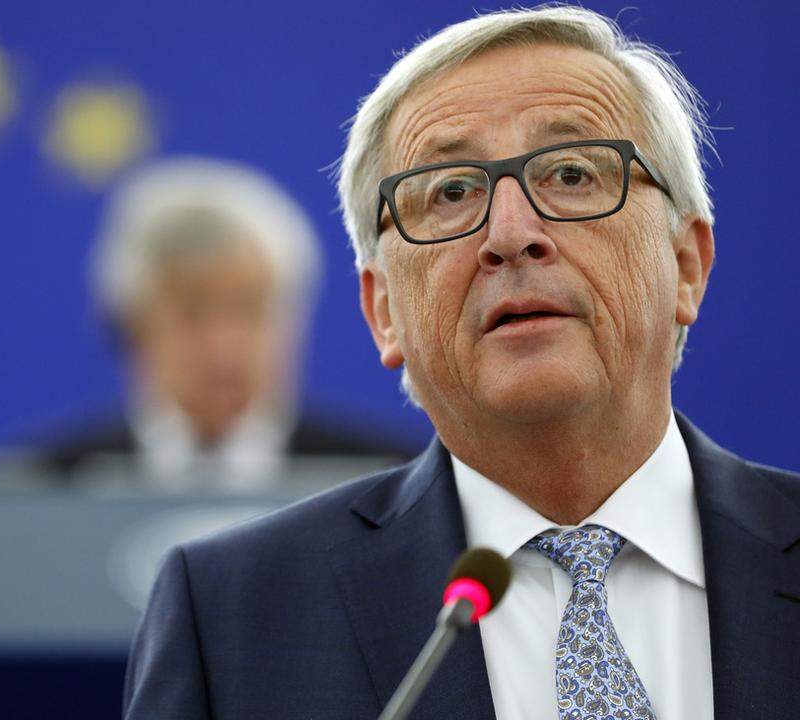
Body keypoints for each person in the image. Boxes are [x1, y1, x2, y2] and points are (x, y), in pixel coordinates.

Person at [124, 6, 800, 719]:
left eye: (571, 173)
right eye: (450, 191)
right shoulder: (231, 619)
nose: (511, 236)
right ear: (383, 310)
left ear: (686, 264)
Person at [44, 156, 416, 492]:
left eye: (251, 310)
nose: (225, 348)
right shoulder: (41, 492)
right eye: (193, 313)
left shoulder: (392, 486)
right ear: (131, 324)